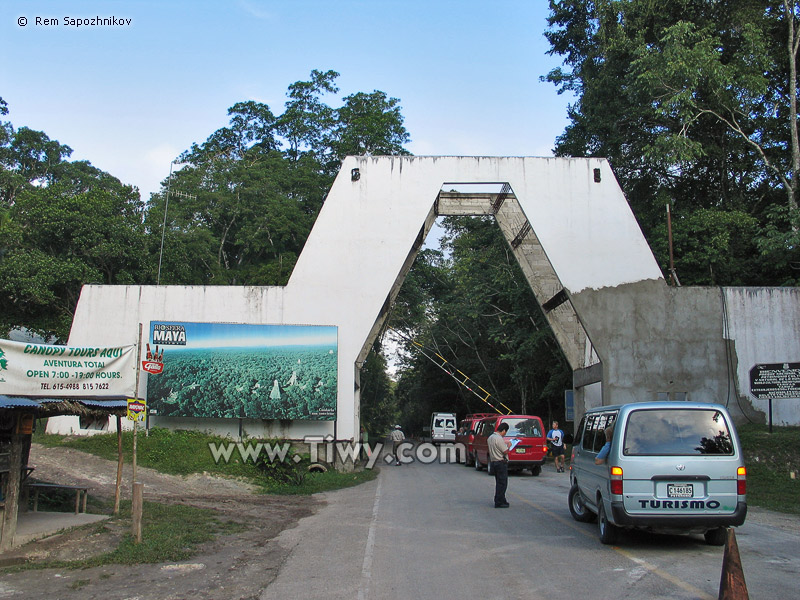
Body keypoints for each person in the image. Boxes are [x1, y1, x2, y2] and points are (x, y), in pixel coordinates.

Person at [488, 422, 511, 507]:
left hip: (494, 461)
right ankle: (499, 501)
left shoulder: (490, 437)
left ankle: (502, 499)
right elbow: (505, 451)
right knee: (502, 483)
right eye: (506, 432)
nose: (505, 434)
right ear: (504, 430)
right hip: (500, 462)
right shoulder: (498, 438)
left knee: (499, 482)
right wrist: (509, 445)